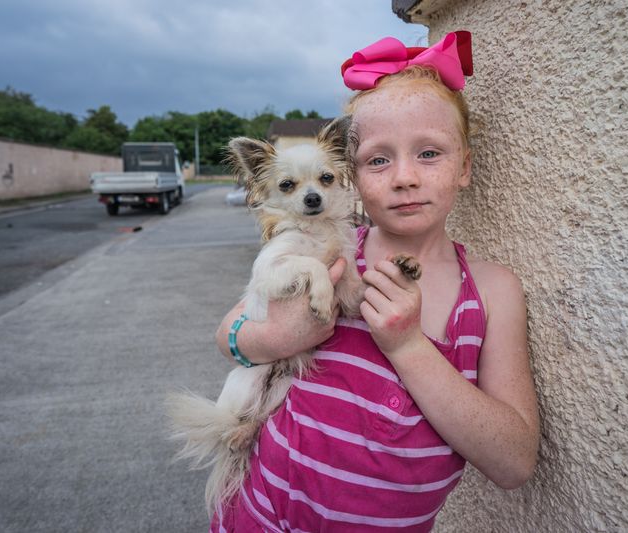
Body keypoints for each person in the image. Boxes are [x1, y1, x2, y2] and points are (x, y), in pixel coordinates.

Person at [211, 31, 539, 532]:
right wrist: (276, 337)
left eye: (429, 153)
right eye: (378, 160)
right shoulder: (332, 252)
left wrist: (407, 345)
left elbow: (515, 463)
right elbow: (228, 336)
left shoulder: (493, 292)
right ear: (353, 176)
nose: (404, 177)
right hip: (254, 515)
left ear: (465, 167)